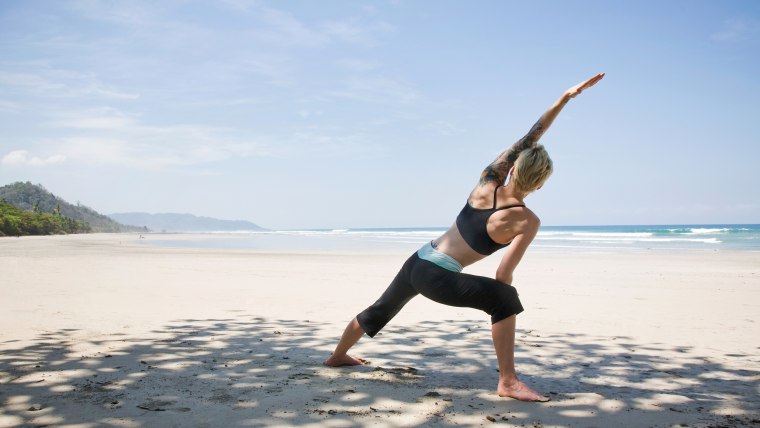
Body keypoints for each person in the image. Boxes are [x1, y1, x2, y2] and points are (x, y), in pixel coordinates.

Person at [324, 73, 605, 402]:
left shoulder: (487, 181)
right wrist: (504, 295)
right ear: (540, 184)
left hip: (418, 260)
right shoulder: (527, 221)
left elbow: (530, 137)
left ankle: (338, 355)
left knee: (381, 308)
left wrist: (564, 99)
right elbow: (503, 275)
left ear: (513, 169)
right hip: (438, 277)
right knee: (504, 299)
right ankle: (509, 381)